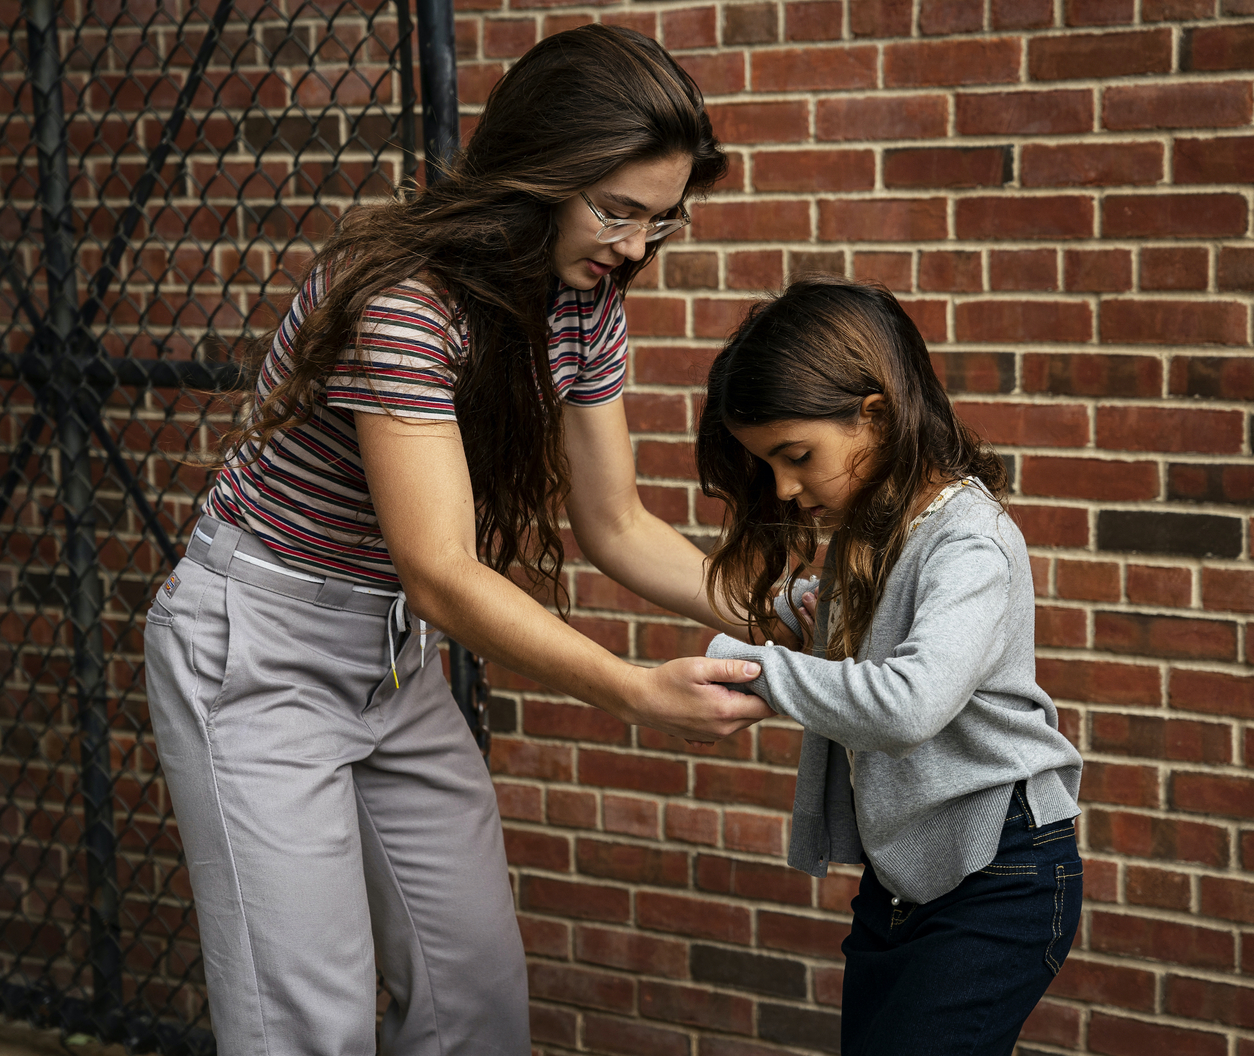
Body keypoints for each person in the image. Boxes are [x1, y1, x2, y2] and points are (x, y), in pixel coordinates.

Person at [143, 25, 769, 1056]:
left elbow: (616, 525)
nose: (633, 250)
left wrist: (786, 608)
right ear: (536, 176)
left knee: (472, 996)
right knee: (312, 1027)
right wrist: (634, 690)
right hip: (257, 653)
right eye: (615, 212)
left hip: (388, 662)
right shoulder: (405, 306)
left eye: (663, 222)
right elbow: (439, 570)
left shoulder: (583, 305)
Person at [695, 276, 1085, 1056]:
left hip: (1000, 874)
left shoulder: (969, 538)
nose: (783, 486)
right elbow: (875, 622)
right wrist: (818, 612)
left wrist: (755, 669)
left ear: (874, 414)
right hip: (906, 879)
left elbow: (911, 702)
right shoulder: (873, 533)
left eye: (796, 455)